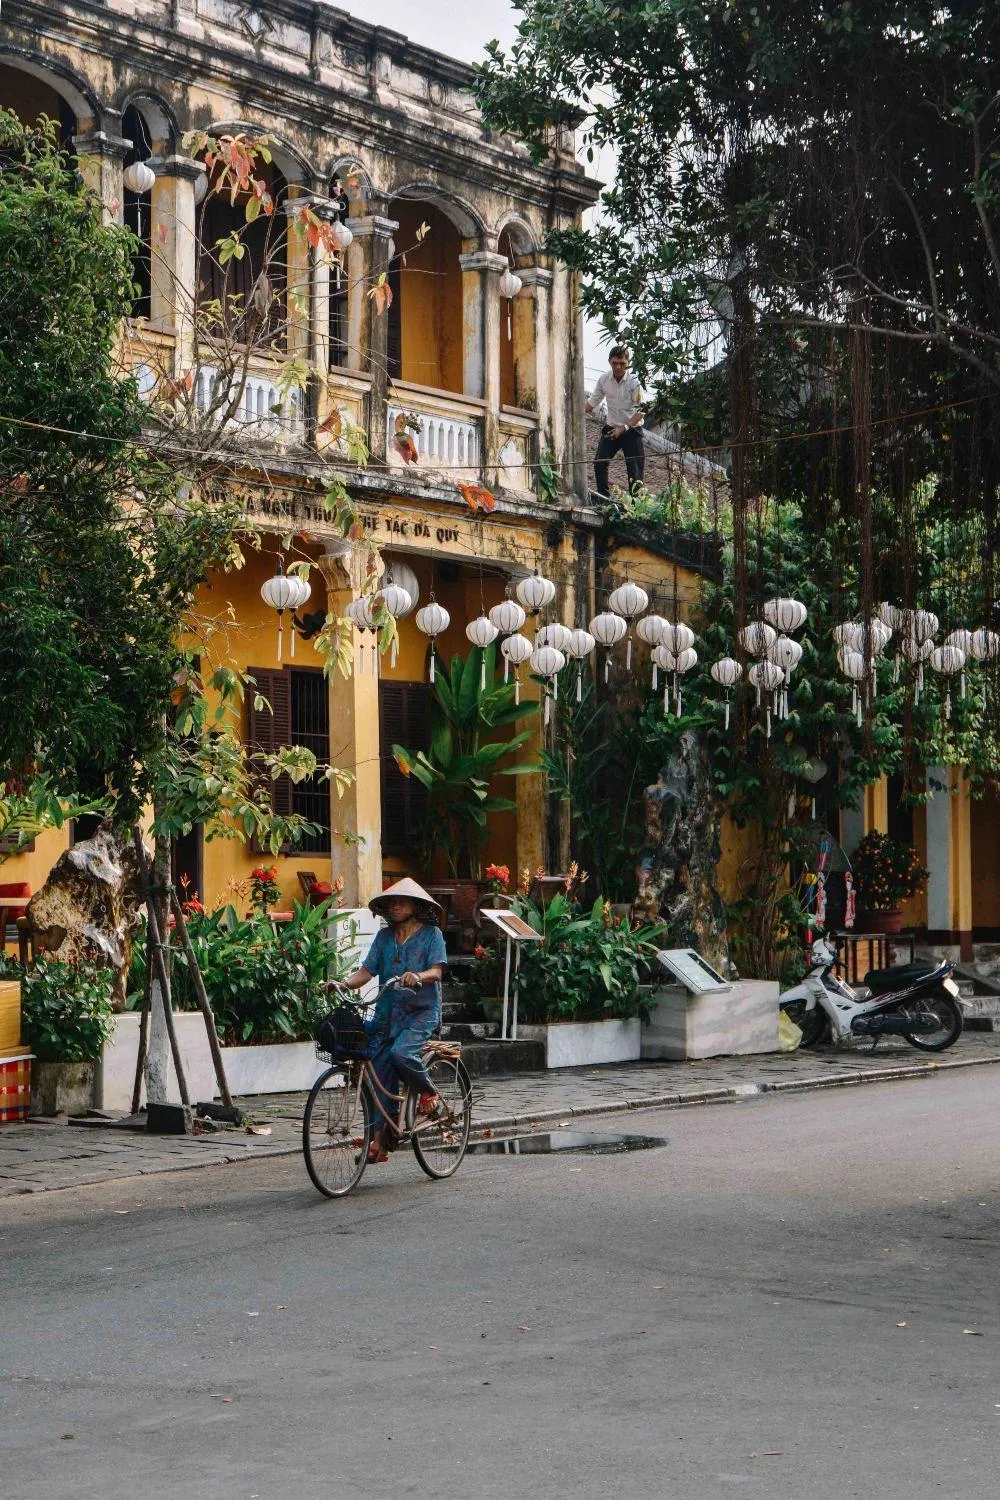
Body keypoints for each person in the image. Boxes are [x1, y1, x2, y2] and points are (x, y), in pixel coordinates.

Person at [340, 878, 448, 1164]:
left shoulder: (431, 935)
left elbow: (437, 971)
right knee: (378, 1075)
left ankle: (428, 1092)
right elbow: (366, 970)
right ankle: (380, 1144)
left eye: (403, 901)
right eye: (392, 902)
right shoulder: (384, 938)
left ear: (417, 906)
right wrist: (343, 984)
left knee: (401, 1054)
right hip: (386, 1014)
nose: (396, 906)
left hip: (420, 1014)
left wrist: (419, 976)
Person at [586, 346, 645, 499]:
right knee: (599, 462)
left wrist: (624, 428)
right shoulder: (604, 379)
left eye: (622, 363)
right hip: (612, 428)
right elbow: (592, 402)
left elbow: (641, 411)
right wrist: (570, 412)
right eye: (615, 363)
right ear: (609, 362)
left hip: (632, 430)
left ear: (628, 363)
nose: (618, 367)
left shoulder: (634, 382)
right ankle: (602, 498)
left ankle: (635, 506)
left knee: (635, 471)